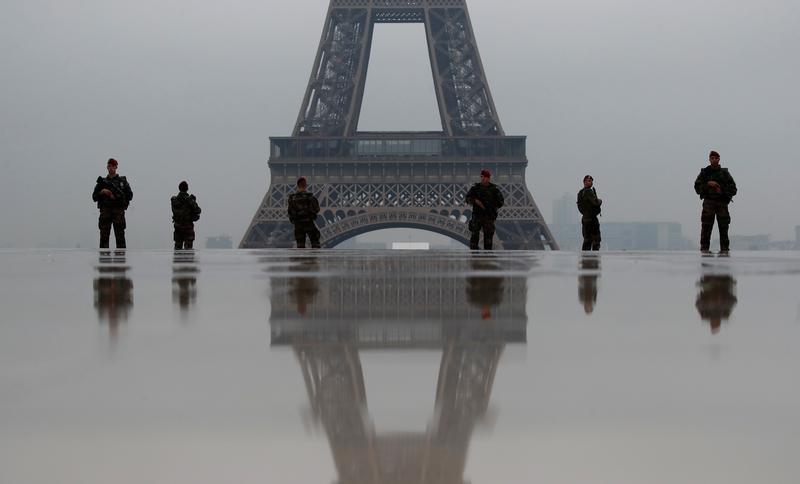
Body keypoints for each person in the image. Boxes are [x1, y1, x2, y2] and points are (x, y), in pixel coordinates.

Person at [694, 150, 737, 253]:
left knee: (724, 229)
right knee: (706, 228)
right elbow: (697, 187)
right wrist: (708, 184)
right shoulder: (704, 173)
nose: (714, 160)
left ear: (719, 159)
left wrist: (721, 190)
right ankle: (704, 249)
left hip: (722, 204)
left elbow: (734, 189)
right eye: (712, 158)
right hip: (709, 204)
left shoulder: (725, 173)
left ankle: (725, 249)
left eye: (716, 158)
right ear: (709, 159)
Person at [92, 158, 133, 249]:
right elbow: (94, 197)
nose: (111, 168)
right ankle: (103, 261)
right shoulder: (102, 182)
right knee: (104, 239)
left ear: (116, 167)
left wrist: (119, 199)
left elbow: (130, 196)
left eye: (113, 166)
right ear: (107, 167)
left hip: (118, 213)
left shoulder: (122, 182)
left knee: (120, 239)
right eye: (109, 166)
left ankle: (121, 261)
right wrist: (102, 192)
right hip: (105, 213)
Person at [466, 169, 504, 250]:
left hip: (488, 216)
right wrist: (475, 201)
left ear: (488, 178)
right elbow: (468, 199)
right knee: (474, 237)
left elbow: (501, 202)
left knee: (488, 239)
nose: (483, 178)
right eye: (482, 177)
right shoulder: (475, 188)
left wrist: (492, 207)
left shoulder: (494, 189)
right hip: (477, 216)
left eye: (485, 177)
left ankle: (487, 256)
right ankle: (474, 255)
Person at [288, 177, 321, 248]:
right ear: (305, 185)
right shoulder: (310, 197)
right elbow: (317, 209)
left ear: (297, 185)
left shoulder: (292, 198)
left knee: (300, 245)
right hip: (309, 223)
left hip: (298, 224)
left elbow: (290, 212)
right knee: (315, 244)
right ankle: (314, 259)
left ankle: (300, 258)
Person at [171, 181, 202, 250]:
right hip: (188, 227)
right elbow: (198, 210)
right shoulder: (189, 200)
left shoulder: (174, 200)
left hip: (177, 227)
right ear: (187, 188)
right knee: (188, 249)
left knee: (177, 248)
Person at [576, 175, 602, 251]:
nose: (590, 182)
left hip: (585, 218)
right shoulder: (588, 191)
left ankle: (586, 258)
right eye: (589, 181)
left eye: (591, 181)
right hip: (592, 218)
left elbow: (580, 206)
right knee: (596, 239)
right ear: (584, 182)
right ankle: (594, 257)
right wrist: (600, 201)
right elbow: (595, 203)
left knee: (587, 239)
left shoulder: (581, 192)